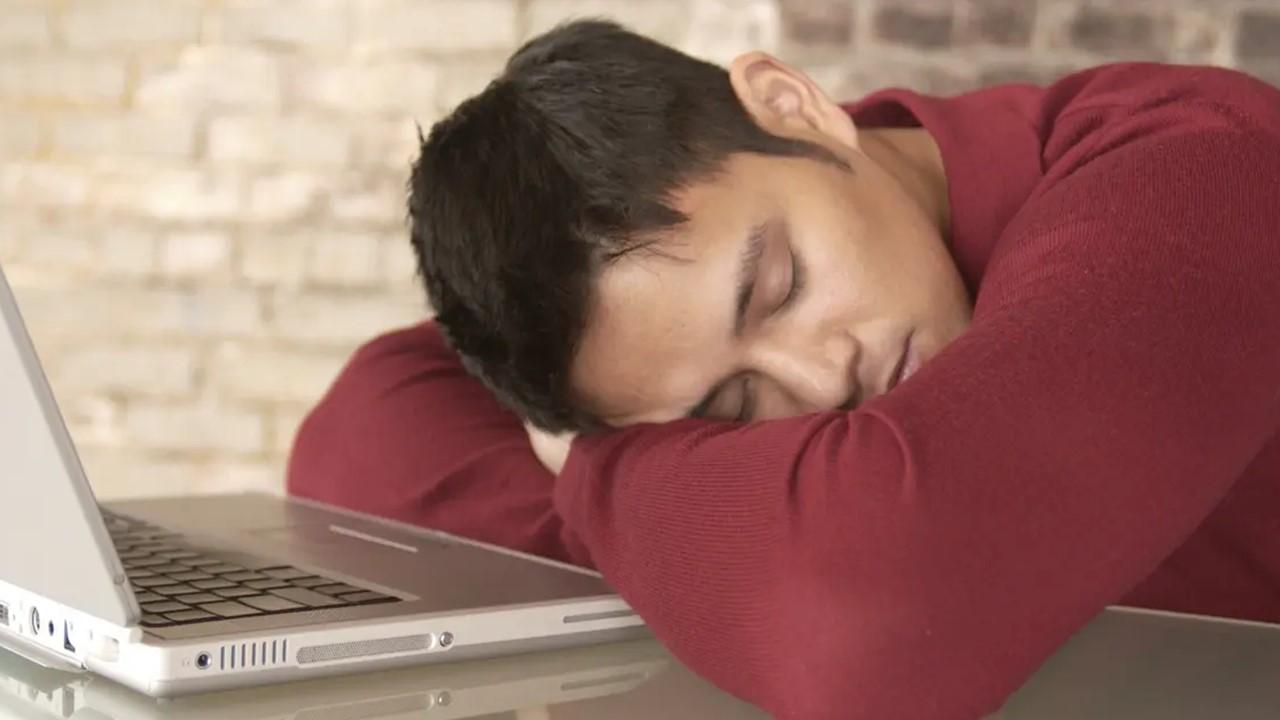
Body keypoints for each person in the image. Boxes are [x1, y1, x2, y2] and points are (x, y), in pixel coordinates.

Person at [287, 19, 1280, 720]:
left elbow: (873, 611)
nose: (818, 384)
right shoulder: (720, 240)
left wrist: (601, 474)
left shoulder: (1203, 164)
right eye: (728, 406)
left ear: (792, 105)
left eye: (778, 284)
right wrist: (731, 523)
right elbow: (363, 430)